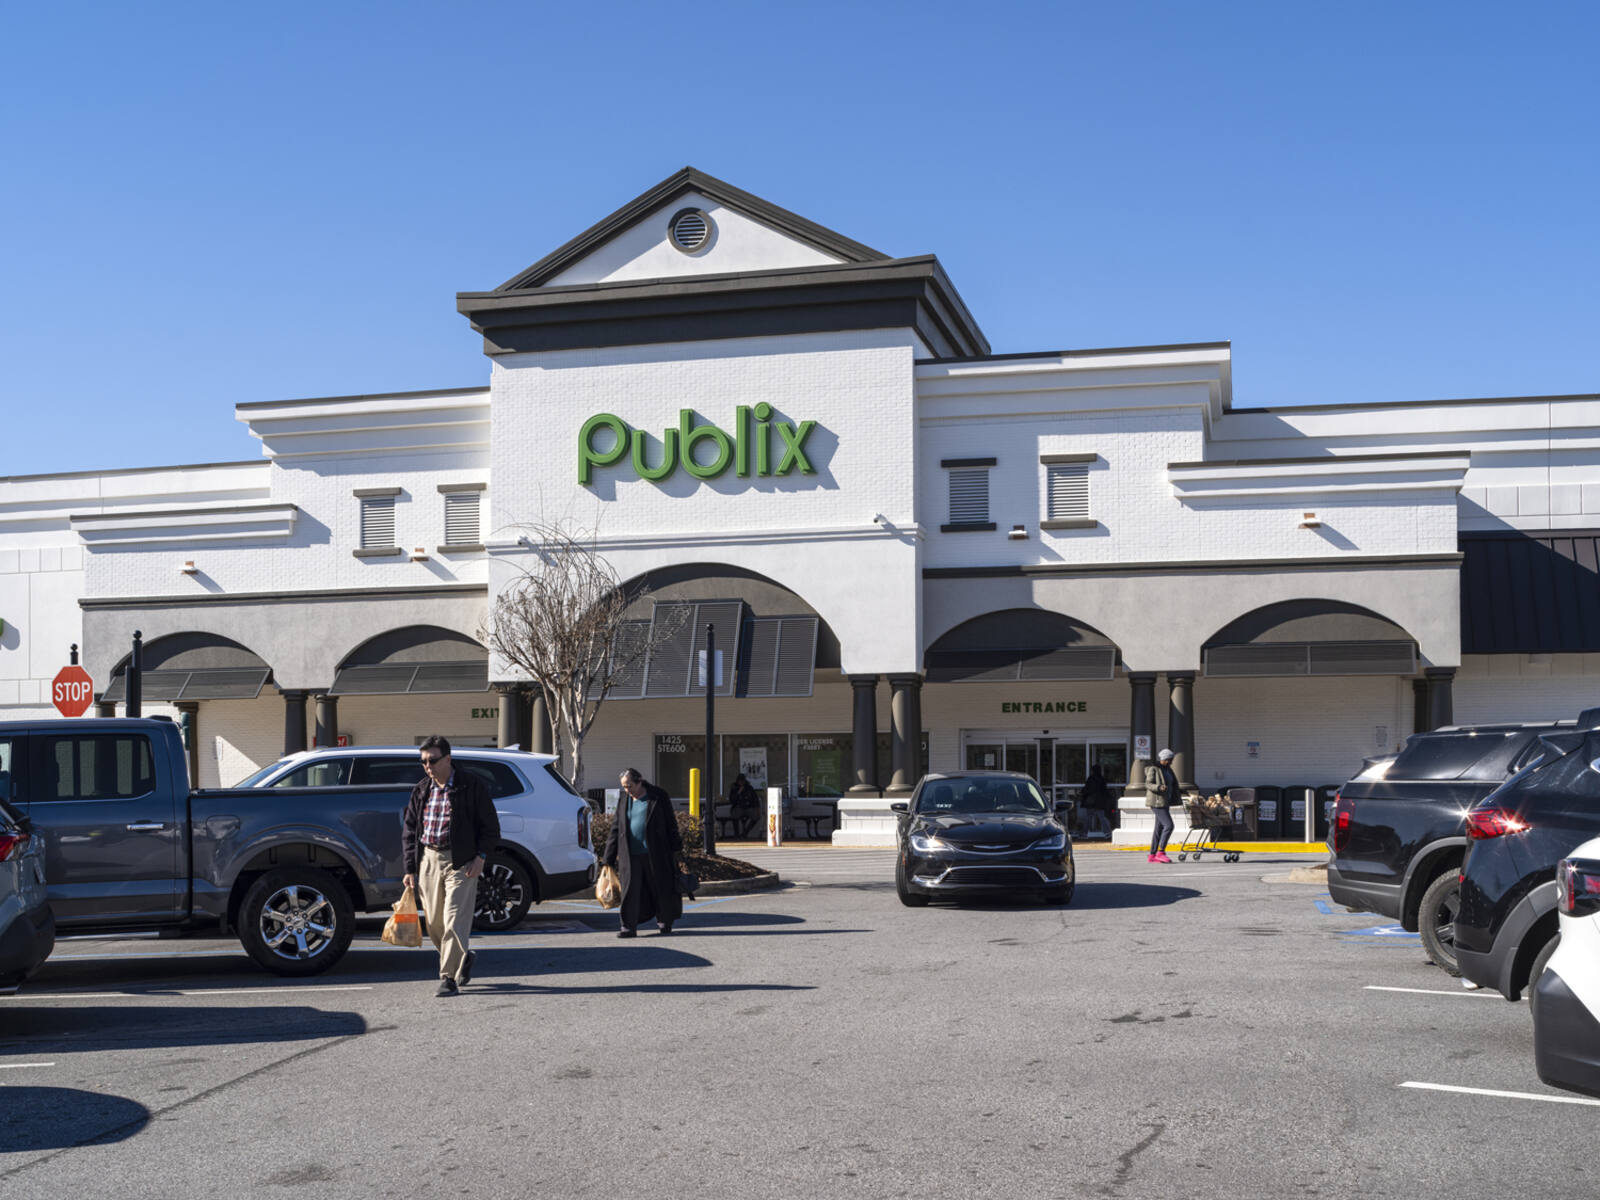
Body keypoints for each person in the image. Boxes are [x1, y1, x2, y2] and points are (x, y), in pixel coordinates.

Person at [402, 735, 500, 997]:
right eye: (423, 761)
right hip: (429, 861)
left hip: (462, 861)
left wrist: (480, 857)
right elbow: (410, 831)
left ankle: (448, 978)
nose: (428, 766)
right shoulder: (422, 789)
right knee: (435, 923)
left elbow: (491, 828)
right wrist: (410, 868)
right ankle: (463, 958)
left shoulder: (471, 786)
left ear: (448, 759)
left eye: (432, 760)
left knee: (455, 920)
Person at [603, 767, 684, 938]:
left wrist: (677, 849)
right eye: (624, 787)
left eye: (629, 785)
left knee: (659, 887)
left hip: (656, 852)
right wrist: (608, 857)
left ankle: (664, 921)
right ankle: (628, 927)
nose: (627, 790)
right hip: (630, 854)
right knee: (630, 891)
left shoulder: (658, 796)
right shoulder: (624, 799)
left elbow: (671, 823)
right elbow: (616, 828)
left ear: (640, 781)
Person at [1143, 748, 1179, 863]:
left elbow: (1173, 783)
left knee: (1158, 829)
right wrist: (1158, 787)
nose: (1171, 762)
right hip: (1157, 802)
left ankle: (1152, 855)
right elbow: (1148, 784)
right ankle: (1161, 852)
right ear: (1163, 759)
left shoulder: (1168, 769)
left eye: (1171, 759)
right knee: (1169, 825)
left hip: (1165, 801)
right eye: (1169, 759)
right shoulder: (1154, 769)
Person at [1081, 764, 1112, 839]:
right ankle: (1108, 832)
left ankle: (1084, 834)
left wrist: (1083, 795)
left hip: (1091, 802)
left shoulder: (1091, 779)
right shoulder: (1101, 779)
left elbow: (1087, 789)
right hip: (1099, 802)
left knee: (1088, 818)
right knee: (1102, 817)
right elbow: (1104, 791)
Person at [727, 773, 759, 838]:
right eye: (740, 781)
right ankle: (737, 834)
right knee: (734, 816)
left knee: (756, 817)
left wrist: (756, 807)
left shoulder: (749, 788)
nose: (741, 782)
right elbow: (732, 800)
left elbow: (755, 798)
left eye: (742, 781)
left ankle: (745, 833)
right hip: (738, 807)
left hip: (748, 807)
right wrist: (738, 793)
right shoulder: (734, 788)